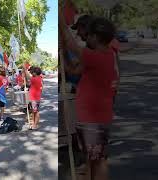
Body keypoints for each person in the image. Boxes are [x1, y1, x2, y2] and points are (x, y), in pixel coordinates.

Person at [61, 13, 118, 180]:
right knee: (94, 160)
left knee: (97, 161)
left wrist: (61, 22)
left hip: (92, 119)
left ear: (95, 36)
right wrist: (63, 52)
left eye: (88, 35)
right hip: (95, 118)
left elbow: (73, 46)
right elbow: (73, 70)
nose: (85, 38)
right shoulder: (106, 55)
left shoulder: (95, 56)